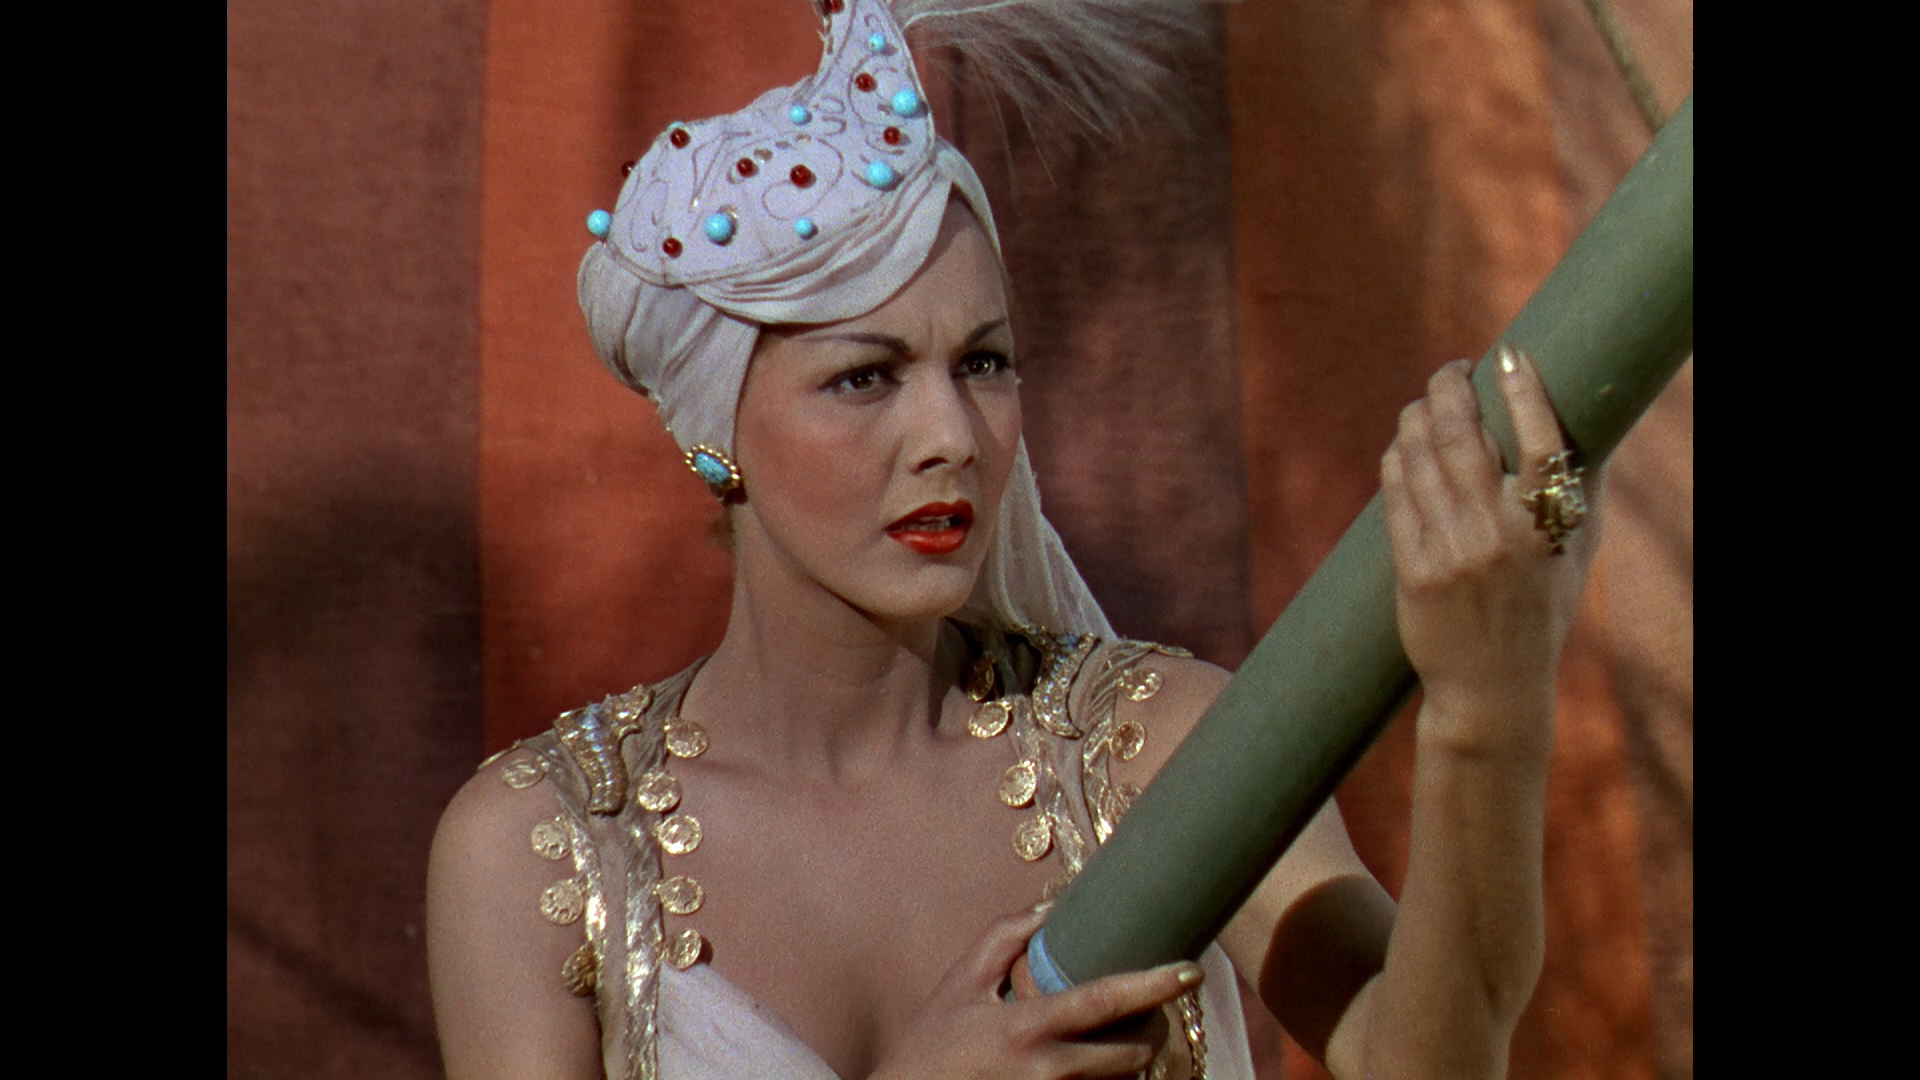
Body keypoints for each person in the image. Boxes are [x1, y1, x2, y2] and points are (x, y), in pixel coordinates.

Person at [427, 2, 1600, 1077]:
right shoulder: (540, 850)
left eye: (982, 363)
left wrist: (1488, 711)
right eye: (866, 377)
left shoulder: (1153, 749)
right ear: (711, 432)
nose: (951, 437)